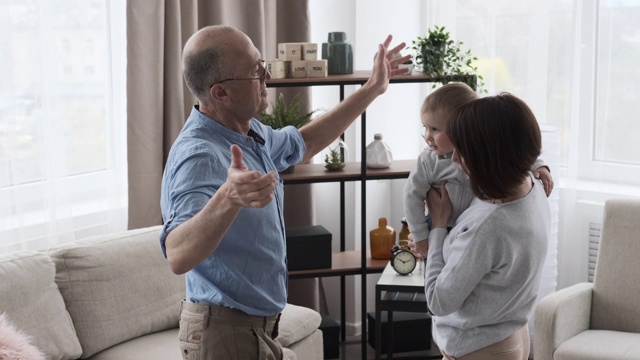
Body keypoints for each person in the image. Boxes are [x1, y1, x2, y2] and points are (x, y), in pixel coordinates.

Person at [159, 25, 410, 360]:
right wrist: (228, 197)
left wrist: (373, 89)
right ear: (220, 93)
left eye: (262, 65)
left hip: (255, 328)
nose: (266, 76)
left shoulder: (249, 132)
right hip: (224, 333)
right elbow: (177, 255)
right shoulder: (199, 156)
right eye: (255, 71)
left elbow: (305, 144)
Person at [423, 93, 550, 360]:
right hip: (513, 337)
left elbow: (438, 302)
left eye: (463, 150)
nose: (455, 159)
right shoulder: (532, 186)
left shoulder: (489, 228)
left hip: (477, 350)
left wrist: (438, 226)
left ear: (488, 157)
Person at [403, 83, 553, 258]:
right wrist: (420, 235)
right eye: (425, 128)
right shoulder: (429, 161)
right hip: (443, 225)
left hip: (471, 225)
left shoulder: (482, 152)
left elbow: (511, 150)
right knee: (438, 271)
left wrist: (537, 165)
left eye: (435, 129)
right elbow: (411, 195)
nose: (427, 136)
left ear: (462, 128)